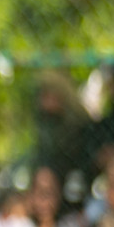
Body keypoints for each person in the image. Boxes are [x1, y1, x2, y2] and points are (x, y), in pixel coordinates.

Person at [33, 71, 95, 201]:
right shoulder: (46, 124)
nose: (44, 101)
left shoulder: (78, 125)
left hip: (76, 179)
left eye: (48, 95)